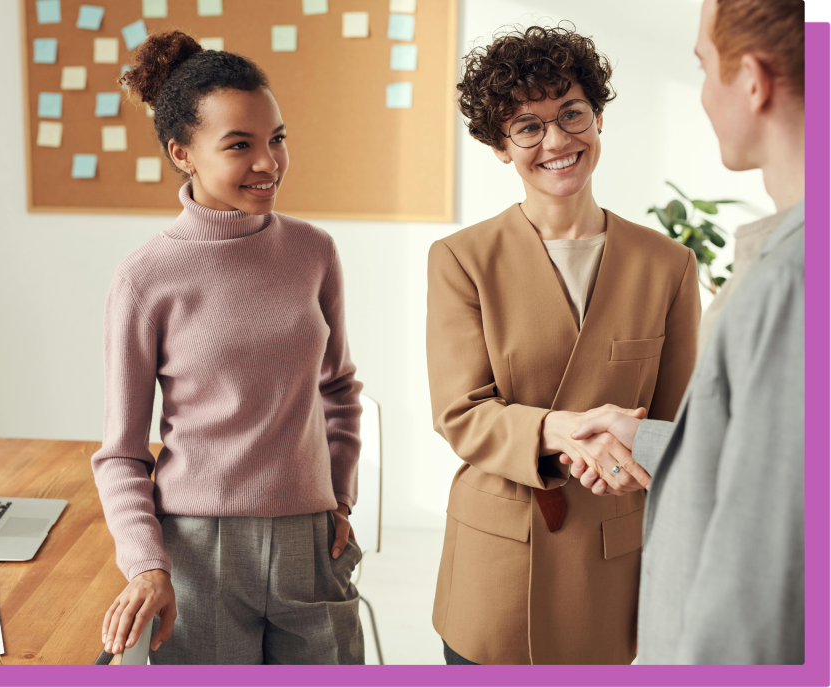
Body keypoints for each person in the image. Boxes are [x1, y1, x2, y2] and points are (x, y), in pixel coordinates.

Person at [426, 25, 700, 665]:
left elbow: (678, 425)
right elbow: (461, 414)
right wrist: (574, 428)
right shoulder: (461, 260)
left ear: (597, 115)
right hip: (498, 562)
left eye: (570, 113)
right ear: (499, 145)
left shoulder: (669, 264)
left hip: (607, 560)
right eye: (527, 126)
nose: (556, 141)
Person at [90, 31, 365, 665]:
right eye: (239, 145)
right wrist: (144, 563)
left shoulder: (313, 251)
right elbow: (121, 454)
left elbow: (338, 388)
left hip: (309, 540)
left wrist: (340, 497)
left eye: (277, 139)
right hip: (198, 549)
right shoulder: (145, 276)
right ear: (182, 153)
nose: (268, 162)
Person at [566, 0, 804, 664]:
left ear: (753, 83)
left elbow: (762, 571)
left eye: (704, 66)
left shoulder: (791, 281)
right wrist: (644, 437)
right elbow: (771, 459)